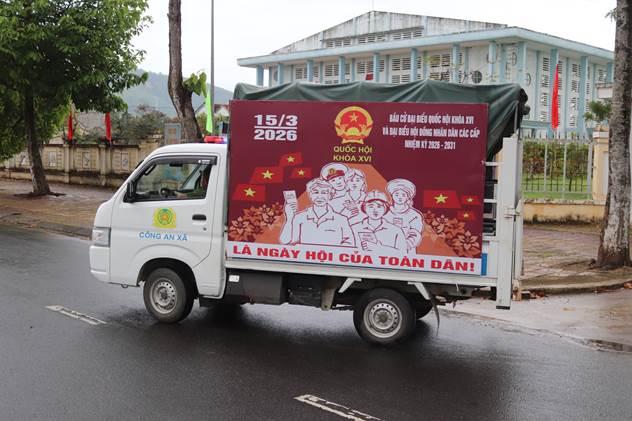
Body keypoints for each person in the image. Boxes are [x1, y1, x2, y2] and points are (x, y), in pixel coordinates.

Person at [280, 178, 354, 247]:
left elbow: (350, 243)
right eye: (316, 192)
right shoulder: (300, 217)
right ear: (310, 195)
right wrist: (289, 218)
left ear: (330, 195)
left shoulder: (341, 219)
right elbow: (285, 241)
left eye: (324, 193)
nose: (319, 196)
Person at [383, 179, 424, 253]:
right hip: (385, 249)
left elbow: (415, 234)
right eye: (397, 194)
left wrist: (402, 246)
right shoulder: (384, 212)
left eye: (403, 195)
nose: (400, 197)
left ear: (408, 197)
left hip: (407, 252)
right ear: (392, 195)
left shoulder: (414, 215)